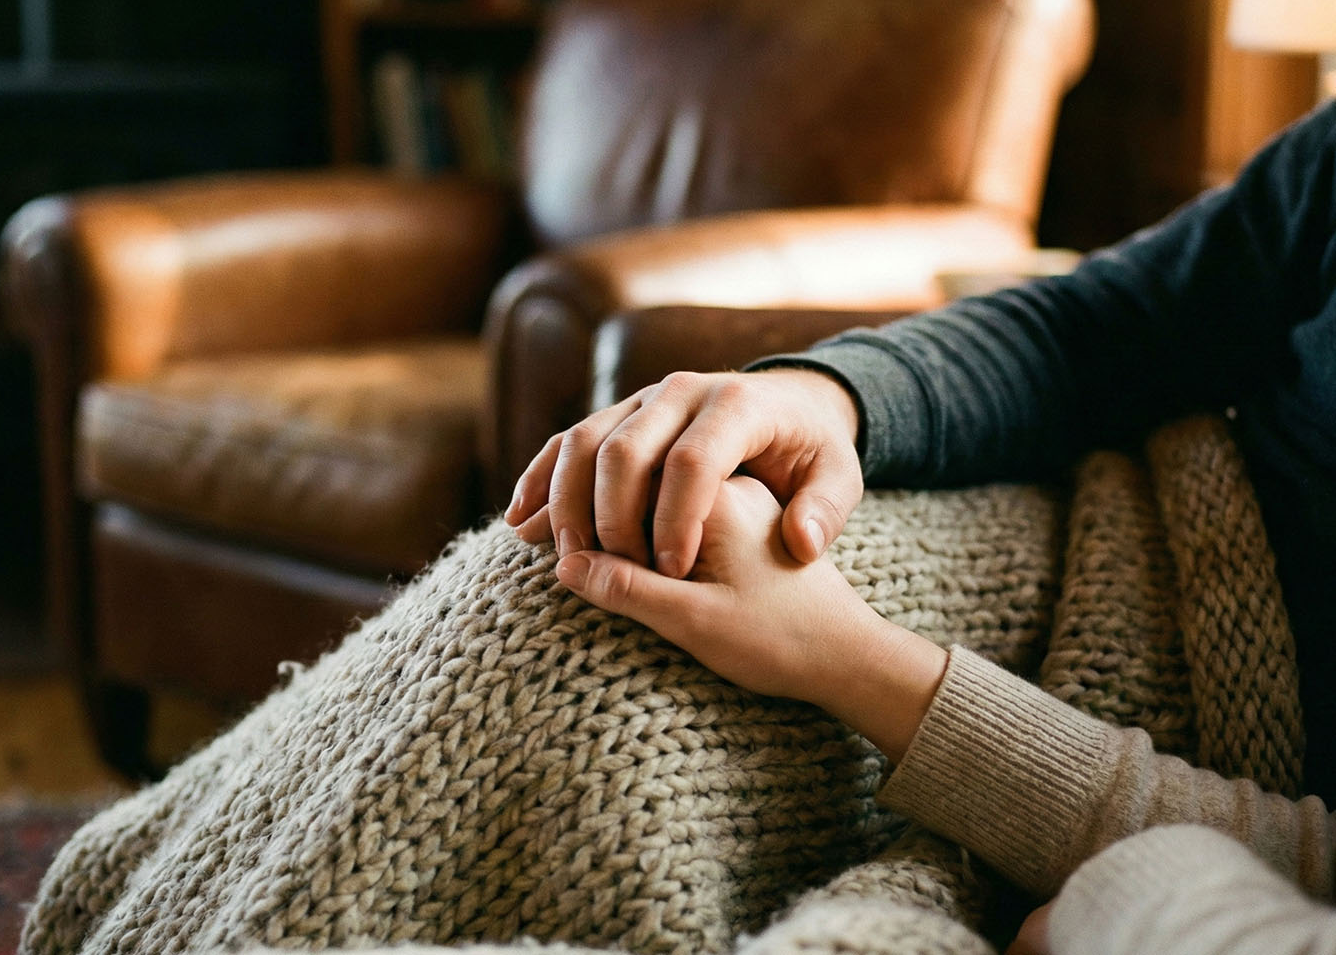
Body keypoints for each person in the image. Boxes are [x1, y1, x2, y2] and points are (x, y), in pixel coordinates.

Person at [504, 99, 1336, 955]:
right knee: (554, 575)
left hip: (1158, 756)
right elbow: (1095, 329)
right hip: (1117, 518)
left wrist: (849, 661)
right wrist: (824, 398)